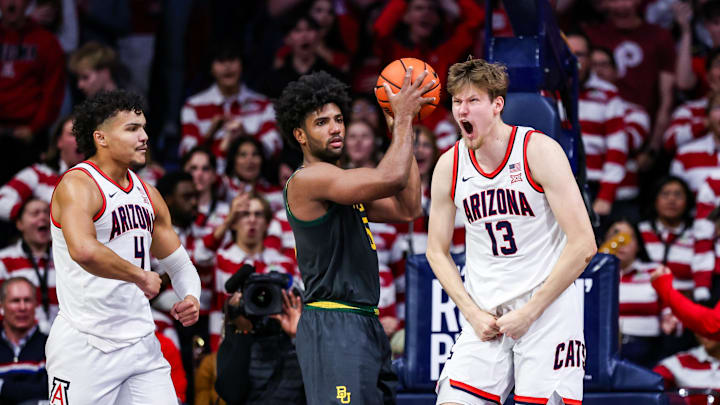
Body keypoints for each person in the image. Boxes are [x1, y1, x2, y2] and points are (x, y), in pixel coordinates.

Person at [425, 58, 596, 404]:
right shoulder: (450, 164)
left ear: (497, 105)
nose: (463, 110)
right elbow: (435, 250)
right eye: (457, 101)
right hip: (485, 315)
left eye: (473, 101)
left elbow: (584, 244)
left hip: (546, 311)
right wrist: (471, 312)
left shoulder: (539, 151)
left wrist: (530, 311)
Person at [276, 68, 431, 403]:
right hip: (333, 323)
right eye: (321, 122)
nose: (335, 128)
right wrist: (402, 118)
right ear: (300, 135)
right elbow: (390, 177)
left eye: (338, 119)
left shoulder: (343, 185)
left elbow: (409, 208)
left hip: (365, 322)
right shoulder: (308, 180)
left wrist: (400, 127)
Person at [46, 90, 202, 404]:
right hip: (86, 343)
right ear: (101, 138)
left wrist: (191, 296)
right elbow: (84, 250)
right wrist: (139, 275)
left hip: (140, 343)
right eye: (132, 129)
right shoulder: (77, 185)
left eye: (143, 127)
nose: (144, 136)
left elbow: (180, 264)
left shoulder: (149, 193)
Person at [180, 42, 282, 170]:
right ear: (211, 68)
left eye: (232, 60)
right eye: (221, 61)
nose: (227, 67)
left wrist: (245, 137)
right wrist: (209, 135)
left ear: (242, 65)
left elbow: (275, 150)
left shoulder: (263, 104)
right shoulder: (193, 106)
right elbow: (186, 155)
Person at [0, 198, 57, 333]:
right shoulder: (3, 260)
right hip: (21, 340)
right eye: (35, 213)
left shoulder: (66, 258)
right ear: (20, 224)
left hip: (63, 341)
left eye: (46, 212)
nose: (43, 217)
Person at [0, 276, 49, 404]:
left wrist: (2, 388)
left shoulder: (49, 346)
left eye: (27, 300)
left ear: (35, 304)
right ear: (2, 305)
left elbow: (49, 390)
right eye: (15, 301)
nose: (22, 307)